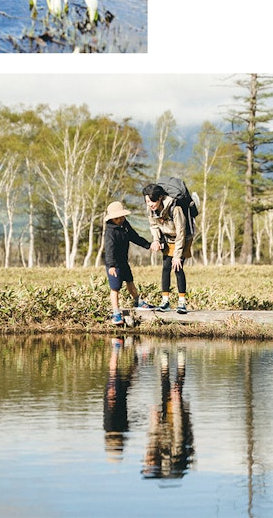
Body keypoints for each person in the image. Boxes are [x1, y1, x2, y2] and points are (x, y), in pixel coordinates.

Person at [142, 348, 194, 479]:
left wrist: (154, 419)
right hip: (178, 427)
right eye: (148, 464)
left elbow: (153, 437)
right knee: (176, 392)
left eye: (146, 462)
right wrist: (176, 408)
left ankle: (165, 360)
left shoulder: (155, 454)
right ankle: (181, 357)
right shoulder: (174, 454)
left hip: (168, 428)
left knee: (166, 394)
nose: (146, 460)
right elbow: (179, 431)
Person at [143, 183, 190, 314]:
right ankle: (165, 301)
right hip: (168, 238)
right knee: (166, 268)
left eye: (153, 201)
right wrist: (156, 240)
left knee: (178, 267)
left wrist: (177, 255)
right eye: (147, 201)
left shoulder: (175, 209)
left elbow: (182, 232)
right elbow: (153, 225)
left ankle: (182, 303)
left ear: (160, 198)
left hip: (182, 239)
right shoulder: (151, 209)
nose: (150, 204)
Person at [103, 200, 152, 325]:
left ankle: (138, 301)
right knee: (115, 288)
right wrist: (111, 265)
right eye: (117, 218)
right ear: (112, 219)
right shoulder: (110, 232)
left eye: (122, 217)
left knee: (130, 281)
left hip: (124, 262)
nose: (120, 219)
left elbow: (134, 237)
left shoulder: (125, 226)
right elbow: (109, 250)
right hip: (114, 264)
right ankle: (116, 313)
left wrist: (148, 245)